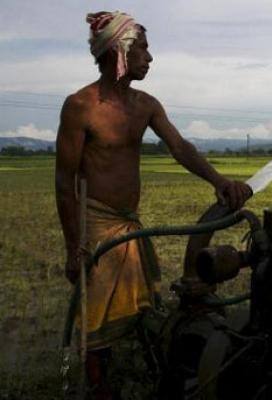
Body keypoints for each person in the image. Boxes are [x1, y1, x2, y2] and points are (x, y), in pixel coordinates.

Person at [54, 11, 252, 399]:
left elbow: (179, 148)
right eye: (143, 47)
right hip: (94, 221)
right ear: (120, 51)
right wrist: (72, 248)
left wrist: (220, 182)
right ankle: (97, 386)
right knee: (95, 312)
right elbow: (64, 183)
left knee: (135, 304)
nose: (150, 56)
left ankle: (138, 366)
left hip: (130, 223)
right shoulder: (80, 106)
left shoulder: (145, 104)